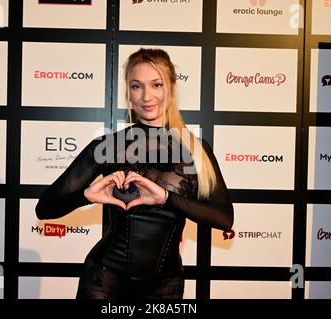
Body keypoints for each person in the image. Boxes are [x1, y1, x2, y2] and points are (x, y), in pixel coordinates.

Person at [35, 48, 234, 299]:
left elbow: (224, 218)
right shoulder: (108, 147)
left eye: (156, 84)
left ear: (171, 88)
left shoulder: (197, 150)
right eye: (137, 86)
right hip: (104, 283)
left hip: (165, 288)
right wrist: (86, 196)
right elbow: (44, 208)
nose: (147, 96)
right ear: (128, 94)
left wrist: (166, 198)